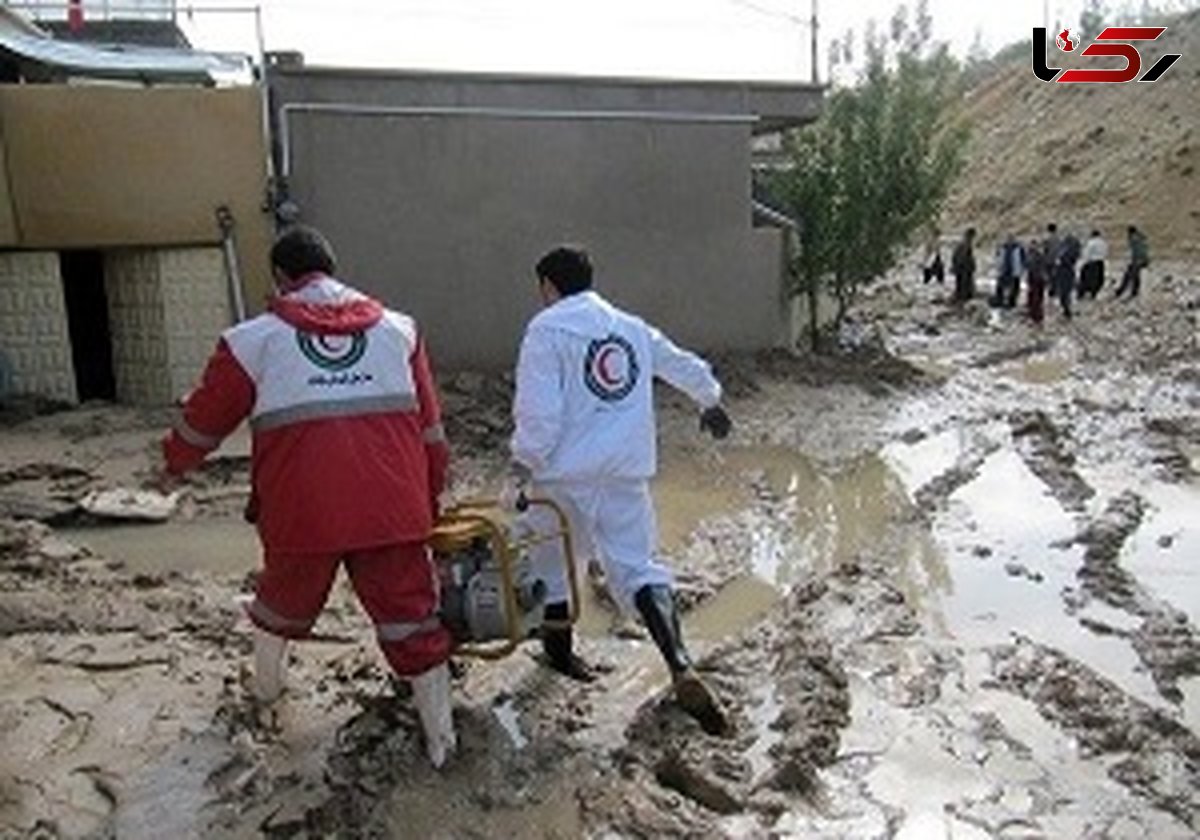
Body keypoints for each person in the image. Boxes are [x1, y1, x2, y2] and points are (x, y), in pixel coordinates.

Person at [158, 226, 457, 767]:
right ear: (332, 269)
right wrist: (427, 503)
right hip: (391, 508)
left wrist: (172, 466)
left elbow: (204, 422)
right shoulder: (401, 332)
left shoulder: (251, 341)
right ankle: (442, 744)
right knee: (414, 622)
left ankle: (267, 700)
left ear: (280, 278)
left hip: (302, 514)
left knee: (279, 609)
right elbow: (431, 433)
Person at [510, 245, 733, 736]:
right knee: (638, 568)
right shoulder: (629, 327)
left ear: (547, 285)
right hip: (624, 473)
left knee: (556, 566)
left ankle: (561, 658)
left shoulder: (546, 330)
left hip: (563, 476)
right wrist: (710, 401)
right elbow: (678, 364)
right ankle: (679, 663)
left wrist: (522, 465)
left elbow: (539, 414)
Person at [1115, 225, 1150, 299]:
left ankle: (1123, 291)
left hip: (1137, 260)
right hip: (1141, 260)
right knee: (1134, 276)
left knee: (1130, 275)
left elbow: (1137, 251)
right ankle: (1131, 291)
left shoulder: (1134, 239)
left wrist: (1136, 260)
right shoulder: (1140, 238)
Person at [994, 233, 1026, 309]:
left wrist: (1022, 269)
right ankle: (1000, 301)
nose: (1009, 240)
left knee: (1014, 288)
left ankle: (1012, 302)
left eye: (1011, 239)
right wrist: (998, 267)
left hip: (1015, 271)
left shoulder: (1019, 248)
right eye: (1008, 239)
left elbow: (1023, 259)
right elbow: (997, 257)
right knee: (1000, 287)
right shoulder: (1002, 247)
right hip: (1003, 270)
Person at [1056, 229, 1081, 319]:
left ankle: (1067, 310)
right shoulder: (1074, 251)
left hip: (1064, 272)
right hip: (1069, 271)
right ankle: (1068, 309)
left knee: (1064, 292)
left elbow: (1061, 259)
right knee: (1067, 292)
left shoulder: (1064, 252)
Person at [1078, 229, 1107, 299]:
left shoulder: (1091, 243)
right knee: (1098, 279)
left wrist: (1083, 262)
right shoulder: (1103, 243)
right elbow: (1105, 252)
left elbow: (1087, 253)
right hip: (1101, 262)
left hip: (1092, 262)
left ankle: (1082, 293)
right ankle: (1094, 292)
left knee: (1087, 279)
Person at [1026, 237, 1048, 327]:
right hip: (1035, 278)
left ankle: (1036, 318)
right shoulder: (1033, 254)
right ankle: (1035, 317)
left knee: (1036, 299)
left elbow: (1036, 267)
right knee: (1034, 298)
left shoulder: (1037, 255)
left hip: (1037, 279)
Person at [951, 227, 976, 303]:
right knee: (964, 285)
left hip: (962, 268)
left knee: (961, 285)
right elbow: (965, 257)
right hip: (963, 269)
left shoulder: (962, 243)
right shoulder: (965, 244)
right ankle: (962, 298)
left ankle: (961, 297)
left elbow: (955, 256)